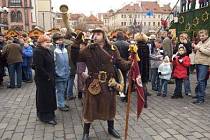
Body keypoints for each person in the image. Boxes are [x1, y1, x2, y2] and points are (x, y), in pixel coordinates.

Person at [74, 28, 131, 140]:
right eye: (94, 34)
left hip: (109, 83)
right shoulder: (87, 50)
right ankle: (86, 133)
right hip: (93, 83)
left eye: (98, 34)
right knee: (90, 108)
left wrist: (131, 63)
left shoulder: (113, 49)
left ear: (104, 36)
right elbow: (76, 58)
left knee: (110, 106)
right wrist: (76, 43)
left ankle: (111, 128)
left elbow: (120, 62)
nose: (95, 36)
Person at [33, 35, 57, 125]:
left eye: (49, 42)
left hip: (50, 78)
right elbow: (38, 67)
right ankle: (45, 117)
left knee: (50, 96)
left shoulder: (47, 50)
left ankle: (50, 113)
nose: (49, 44)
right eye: (46, 42)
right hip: (43, 79)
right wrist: (48, 76)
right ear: (41, 42)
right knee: (44, 97)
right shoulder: (37, 51)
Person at [52, 33, 70, 111]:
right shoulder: (54, 50)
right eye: (59, 40)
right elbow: (53, 62)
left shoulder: (64, 49)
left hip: (65, 73)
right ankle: (60, 104)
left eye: (61, 39)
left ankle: (61, 102)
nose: (61, 41)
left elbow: (66, 61)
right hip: (59, 74)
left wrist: (68, 69)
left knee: (64, 89)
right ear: (55, 41)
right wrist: (56, 72)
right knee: (60, 90)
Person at [192, 29, 210, 104]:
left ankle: (201, 98)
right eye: (200, 36)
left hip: (204, 64)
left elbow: (208, 52)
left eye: (203, 35)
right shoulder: (200, 42)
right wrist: (194, 48)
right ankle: (199, 94)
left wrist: (199, 48)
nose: (201, 37)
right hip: (198, 63)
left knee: (201, 80)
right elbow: (197, 50)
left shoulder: (209, 42)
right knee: (201, 80)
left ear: (207, 35)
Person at [135, 33, 150, 107]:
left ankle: (139, 101)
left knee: (136, 84)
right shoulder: (146, 47)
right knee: (144, 85)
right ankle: (145, 102)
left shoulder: (136, 47)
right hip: (145, 68)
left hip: (138, 67)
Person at [113, 31, 130, 100]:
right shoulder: (127, 44)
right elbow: (129, 55)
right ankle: (123, 92)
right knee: (124, 78)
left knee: (117, 77)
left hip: (116, 63)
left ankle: (117, 91)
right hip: (125, 63)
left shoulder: (114, 44)